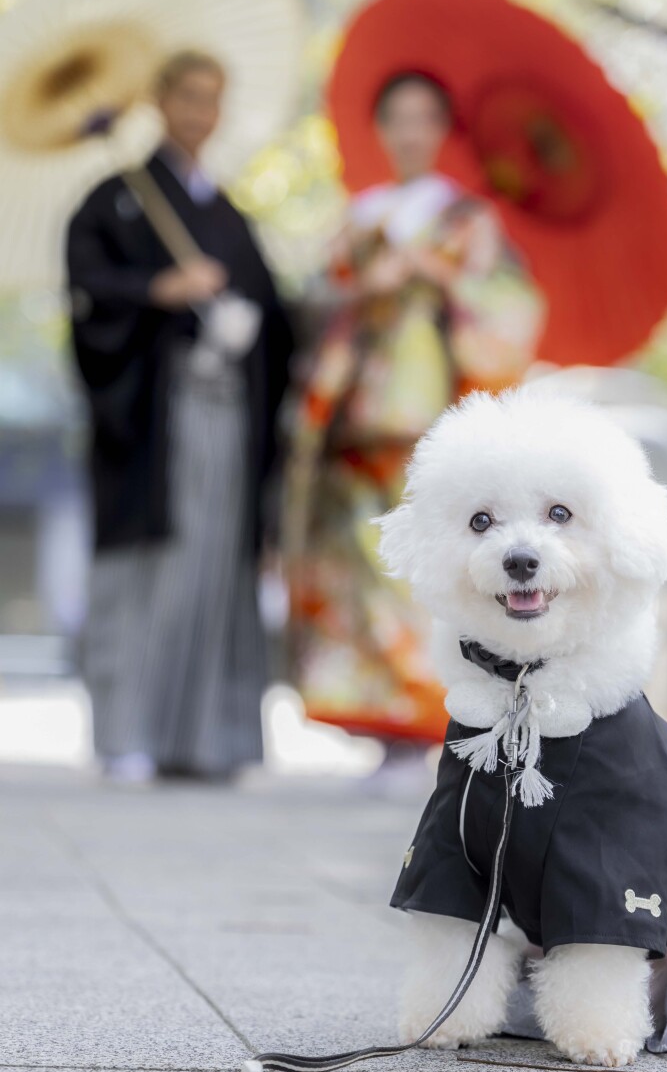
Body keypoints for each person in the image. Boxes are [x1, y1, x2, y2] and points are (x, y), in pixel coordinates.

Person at [285, 73, 544, 761]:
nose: (409, 133)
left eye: (424, 119)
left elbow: (511, 309)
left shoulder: (466, 219)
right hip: (354, 416)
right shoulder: (359, 216)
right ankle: (380, 724)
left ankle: (432, 720)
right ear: (379, 129)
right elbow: (312, 307)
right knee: (356, 565)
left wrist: (443, 277)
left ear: (441, 131)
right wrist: (361, 291)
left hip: (428, 408)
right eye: (396, 118)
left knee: (424, 562)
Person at [67, 50, 294, 783]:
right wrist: (155, 288)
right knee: (147, 571)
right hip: (154, 422)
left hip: (227, 417)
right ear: (160, 101)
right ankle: (126, 732)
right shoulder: (115, 200)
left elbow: (277, 317)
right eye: (188, 96)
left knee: (215, 569)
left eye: (212, 99)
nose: (200, 112)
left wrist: (249, 320)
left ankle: (207, 737)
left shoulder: (225, 213)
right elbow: (88, 293)